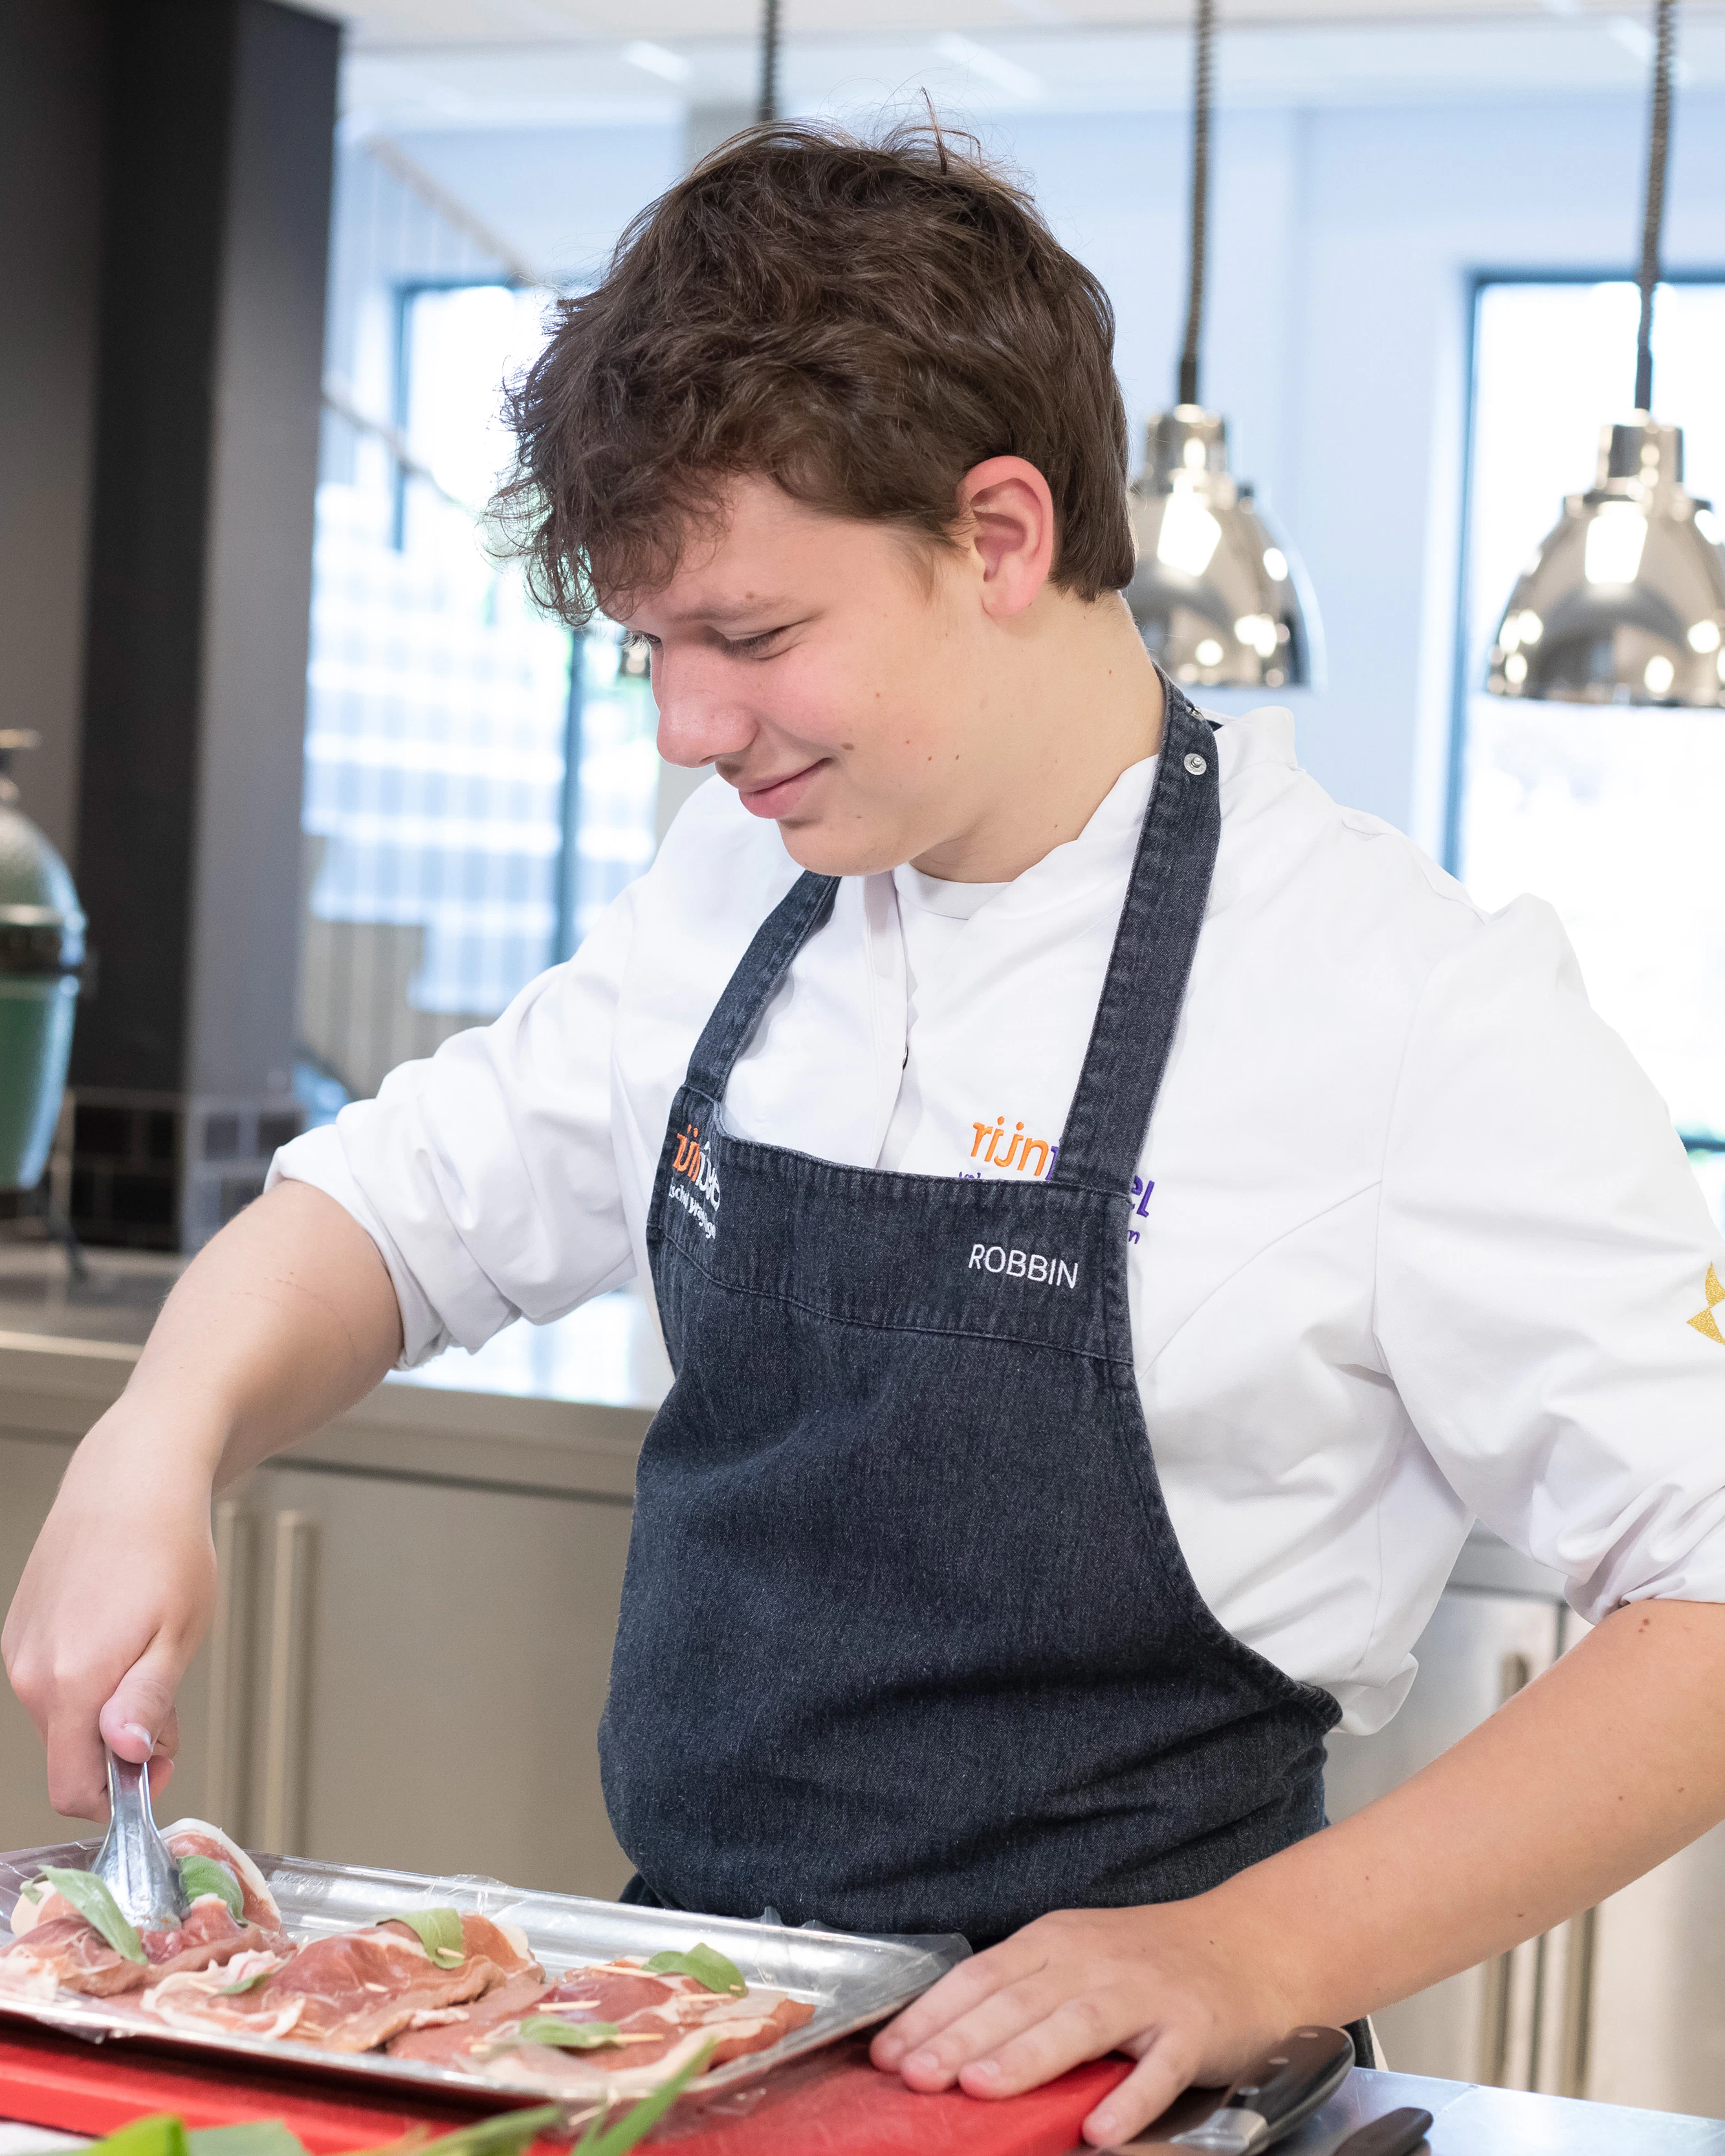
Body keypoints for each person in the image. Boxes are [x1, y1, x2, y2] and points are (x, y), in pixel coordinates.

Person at [8, 120, 1725, 2148]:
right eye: (652, 647)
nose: (685, 725)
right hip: (704, 2052)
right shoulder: (740, 895)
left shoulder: (1404, 1001)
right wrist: (160, 1436)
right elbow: (396, 1209)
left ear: (998, 536)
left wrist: (1255, 1950)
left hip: (1124, 2101)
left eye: (750, 637)